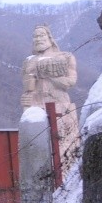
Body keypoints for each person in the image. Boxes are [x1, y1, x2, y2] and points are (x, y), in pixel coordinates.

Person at [20, 24, 79, 164]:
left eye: (41, 35)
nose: (38, 39)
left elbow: (70, 81)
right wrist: (25, 98)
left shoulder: (65, 57)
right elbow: (27, 86)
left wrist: (49, 76)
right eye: (35, 36)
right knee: (36, 149)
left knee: (65, 147)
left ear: (49, 37)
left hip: (60, 104)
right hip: (35, 106)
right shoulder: (28, 61)